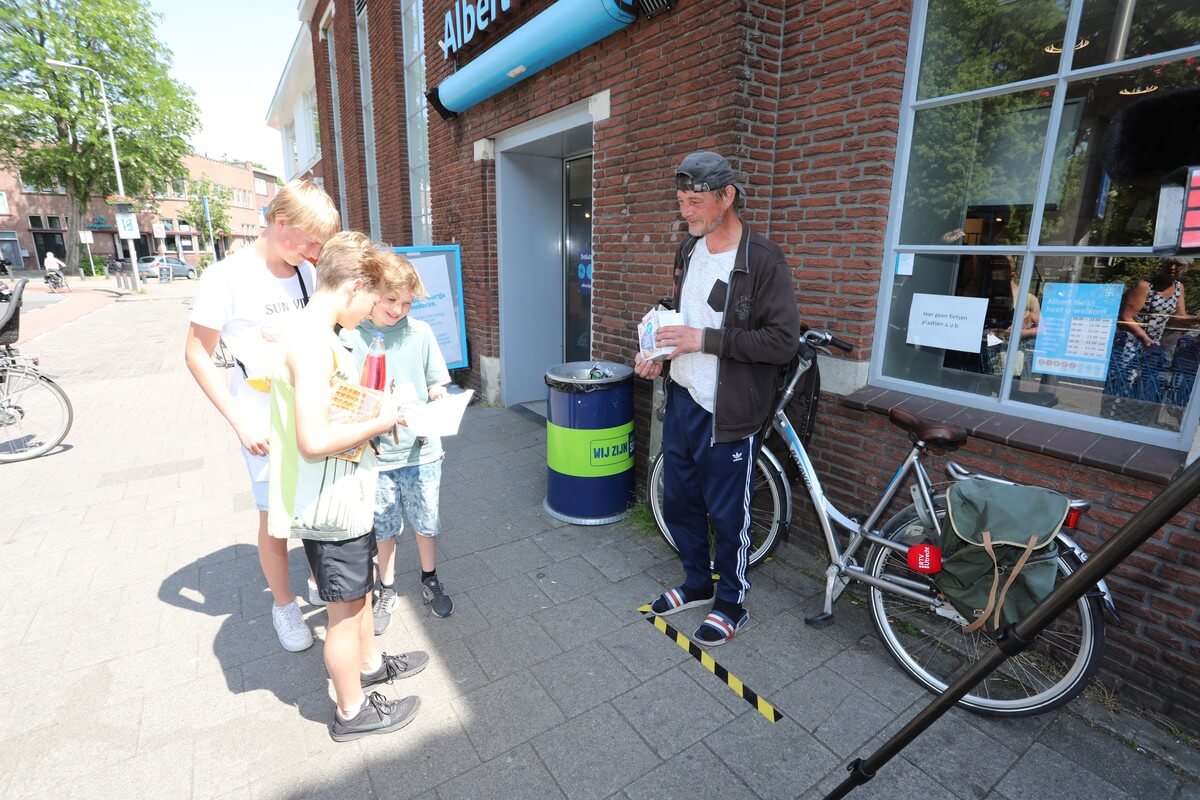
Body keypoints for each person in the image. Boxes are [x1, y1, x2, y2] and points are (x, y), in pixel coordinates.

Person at [635, 151, 801, 646]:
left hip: (727, 412)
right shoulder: (690, 249)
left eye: (695, 201)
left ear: (728, 196)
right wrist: (658, 348)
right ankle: (695, 582)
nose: (685, 212)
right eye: (682, 201)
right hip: (683, 397)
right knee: (680, 500)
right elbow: (680, 312)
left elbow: (781, 343)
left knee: (729, 515)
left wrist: (702, 340)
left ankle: (732, 601)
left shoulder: (763, 260)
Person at [267, 230, 428, 742]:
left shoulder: (314, 333)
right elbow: (314, 439)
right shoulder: (314, 343)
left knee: (356, 600)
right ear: (355, 285)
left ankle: (370, 665)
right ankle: (352, 711)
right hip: (329, 501)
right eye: (372, 299)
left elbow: (325, 413)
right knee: (343, 611)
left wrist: (374, 410)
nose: (371, 310)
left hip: (339, 495)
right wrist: (380, 423)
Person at [184, 178, 338, 653]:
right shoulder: (226, 278)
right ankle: (284, 606)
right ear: (279, 222)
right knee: (276, 514)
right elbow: (195, 354)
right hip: (261, 409)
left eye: (320, 243)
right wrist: (239, 420)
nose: (315, 251)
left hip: (310, 402)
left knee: (315, 497)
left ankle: (318, 577)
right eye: (309, 240)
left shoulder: (306, 272)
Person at [343, 251, 453, 634]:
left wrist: (439, 397)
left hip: (421, 450)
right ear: (372, 293)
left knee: (426, 520)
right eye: (391, 300)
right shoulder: (353, 336)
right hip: (378, 454)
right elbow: (346, 395)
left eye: (407, 302)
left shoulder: (419, 332)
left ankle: (429, 577)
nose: (399, 309)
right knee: (384, 527)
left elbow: (436, 380)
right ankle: (385, 586)